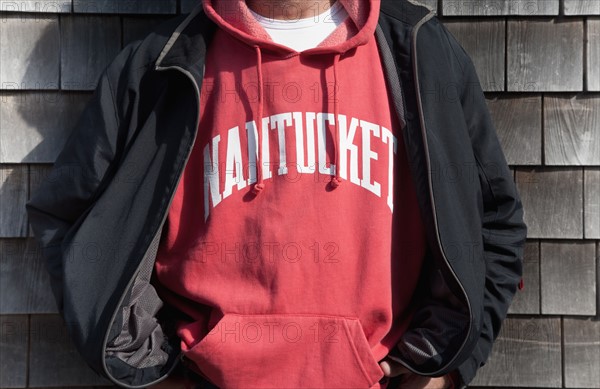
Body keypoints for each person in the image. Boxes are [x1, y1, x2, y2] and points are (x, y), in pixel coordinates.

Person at [26, 0, 527, 388]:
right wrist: (154, 373)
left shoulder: (419, 51)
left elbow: (493, 222)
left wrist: (445, 371)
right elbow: (71, 220)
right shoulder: (159, 66)